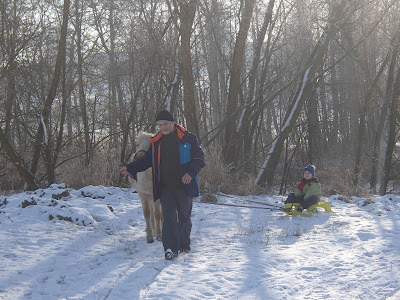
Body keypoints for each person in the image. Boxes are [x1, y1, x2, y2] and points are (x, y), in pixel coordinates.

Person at [120, 110, 205, 260]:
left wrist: (190, 174)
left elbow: (199, 158)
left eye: (165, 124)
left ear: (172, 123)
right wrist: (130, 168)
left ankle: (184, 244)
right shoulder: (157, 142)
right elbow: (145, 161)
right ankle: (170, 249)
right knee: (169, 217)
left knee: (184, 217)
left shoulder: (188, 138)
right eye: (160, 125)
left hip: (184, 186)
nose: (162, 127)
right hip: (165, 186)